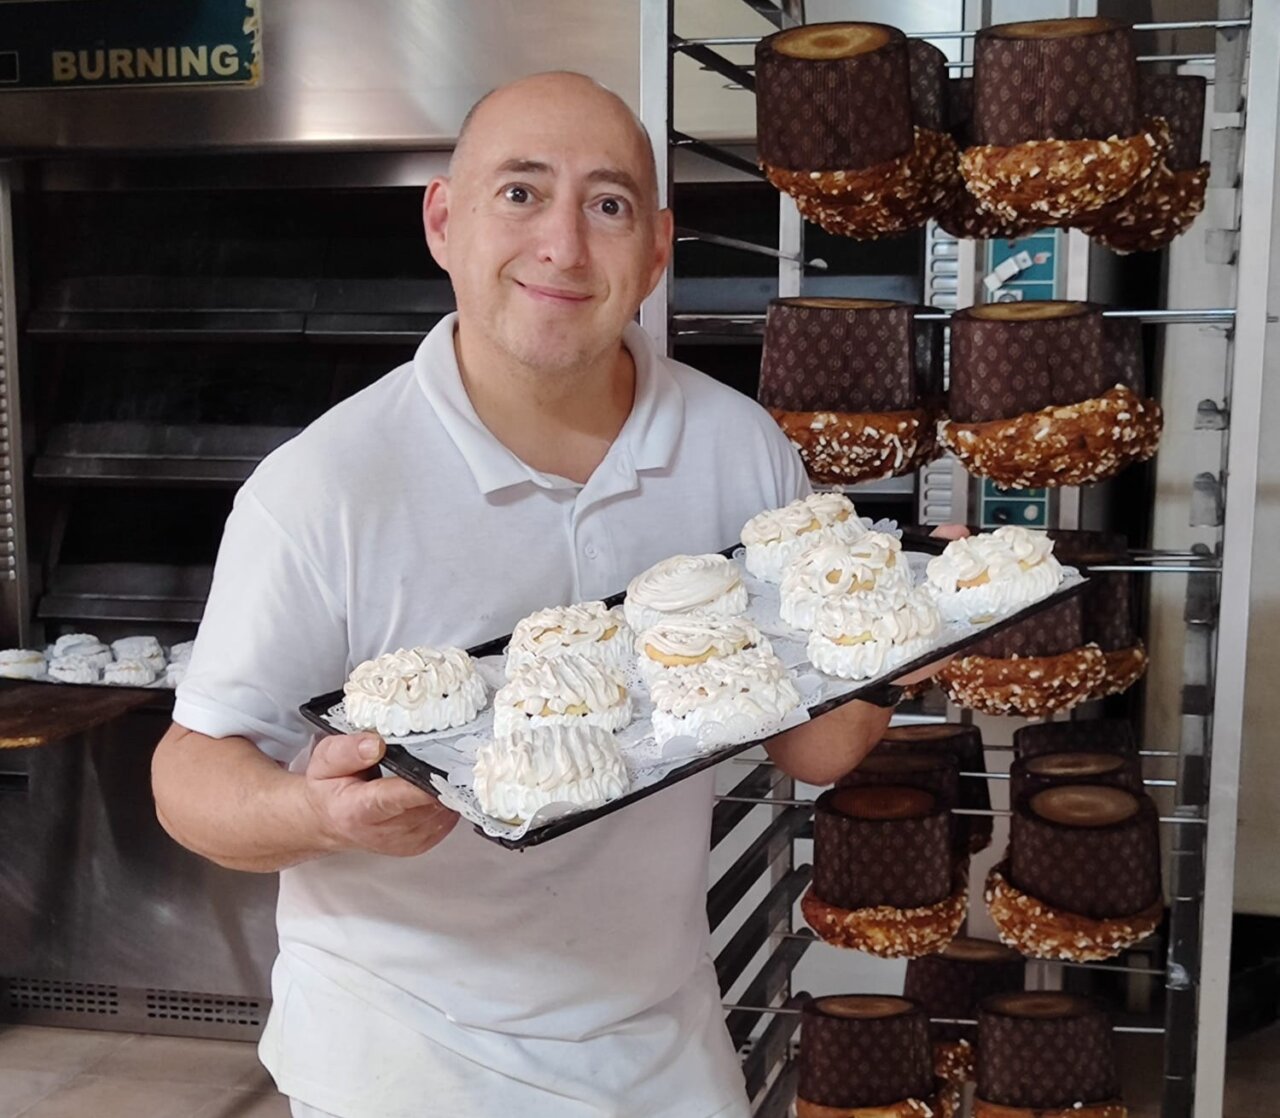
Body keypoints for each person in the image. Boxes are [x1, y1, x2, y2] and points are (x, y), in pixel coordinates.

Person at [152, 71, 948, 1118]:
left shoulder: (737, 449)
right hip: (400, 1062)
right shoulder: (325, 485)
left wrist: (907, 640)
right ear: (444, 221)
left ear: (655, 250)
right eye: (520, 193)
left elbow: (810, 745)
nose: (564, 247)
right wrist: (319, 811)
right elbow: (190, 778)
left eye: (607, 205)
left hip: (660, 1046)